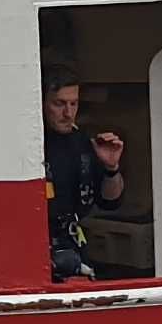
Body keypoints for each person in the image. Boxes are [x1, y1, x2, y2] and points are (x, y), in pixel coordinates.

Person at [43, 78, 127, 282]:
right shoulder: (34, 141)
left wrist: (111, 168)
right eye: (59, 104)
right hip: (39, 243)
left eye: (74, 104)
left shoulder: (83, 141)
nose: (68, 113)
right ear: (42, 103)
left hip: (73, 242)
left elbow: (110, 201)